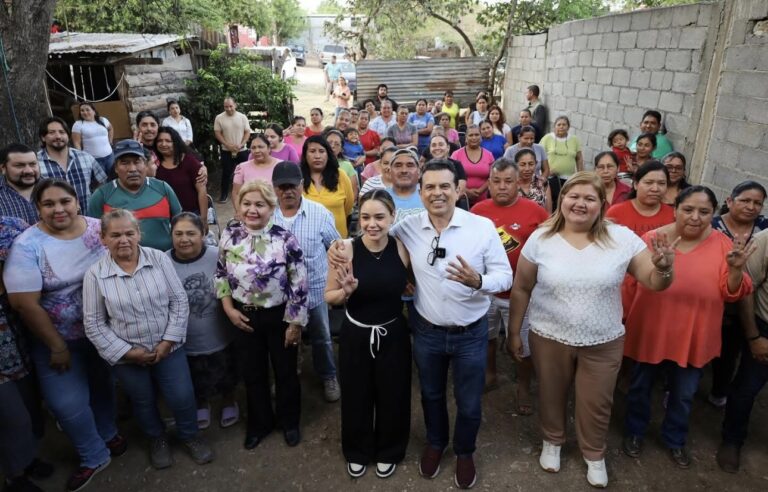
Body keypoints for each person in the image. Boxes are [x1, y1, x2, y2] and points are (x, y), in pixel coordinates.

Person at [508, 171, 678, 487]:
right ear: (562, 199)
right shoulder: (542, 238)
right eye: (574, 196)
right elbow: (522, 287)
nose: (580, 204)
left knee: (597, 401)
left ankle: (594, 453)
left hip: (603, 338)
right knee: (550, 392)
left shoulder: (621, 239)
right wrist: (514, 331)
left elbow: (654, 281)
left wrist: (664, 269)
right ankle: (553, 440)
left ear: (602, 204)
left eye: (589, 198)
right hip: (549, 334)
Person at [5, 180, 124, 492]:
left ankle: (108, 433)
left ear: (77, 202)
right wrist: (57, 346)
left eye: (64, 201)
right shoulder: (27, 245)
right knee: (67, 404)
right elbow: (24, 303)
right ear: (38, 208)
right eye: (48, 204)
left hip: (104, 332)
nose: (58, 209)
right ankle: (93, 455)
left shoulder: (100, 230)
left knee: (103, 386)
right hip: (56, 340)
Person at [622, 186, 753, 469]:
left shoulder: (724, 246)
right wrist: (624, 319)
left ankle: (675, 439)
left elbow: (732, 293)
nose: (695, 217)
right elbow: (630, 285)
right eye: (688, 209)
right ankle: (634, 431)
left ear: (714, 213)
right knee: (640, 386)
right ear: (675, 210)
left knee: (683, 394)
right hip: (652, 328)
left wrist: (735, 271)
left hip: (695, 333)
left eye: (704, 212)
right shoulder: (653, 239)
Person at [82, 208, 214, 469]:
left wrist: (168, 342)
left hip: (168, 348)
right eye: (115, 235)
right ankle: (157, 438)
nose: (123, 240)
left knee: (181, 396)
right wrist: (127, 353)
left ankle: (190, 435)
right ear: (103, 239)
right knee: (142, 401)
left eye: (129, 233)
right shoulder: (95, 275)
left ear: (138, 234)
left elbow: (179, 300)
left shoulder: (158, 258)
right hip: (127, 357)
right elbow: (94, 323)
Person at [325, 190, 411, 479]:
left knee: (394, 393)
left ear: (392, 217)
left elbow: (412, 281)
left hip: (393, 332)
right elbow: (329, 295)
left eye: (379, 217)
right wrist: (345, 292)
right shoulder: (345, 249)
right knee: (356, 394)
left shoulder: (402, 248)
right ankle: (357, 450)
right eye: (365, 217)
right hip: (356, 334)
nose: (372, 224)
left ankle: (390, 449)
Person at [215, 180, 308, 449]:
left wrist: (295, 323)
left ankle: (289, 422)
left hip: (279, 317)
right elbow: (220, 273)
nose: (252, 210)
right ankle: (260, 423)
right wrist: (229, 309)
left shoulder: (285, 238)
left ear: (272, 207)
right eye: (247, 203)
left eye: (260, 204)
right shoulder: (230, 234)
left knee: (285, 371)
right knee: (253, 373)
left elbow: (299, 283)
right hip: (243, 316)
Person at [471, 158, 548, 404]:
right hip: (486, 291)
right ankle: (490, 374)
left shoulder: (536, 212)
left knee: (523, 344)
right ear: (489, 183)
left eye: (508, 181)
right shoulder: (477, 211)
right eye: (496, 181)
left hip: (522, 292)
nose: (502, 187)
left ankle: (523, 385)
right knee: (487, 337)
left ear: (518, 183)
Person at [271, 162, 342, 403]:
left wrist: (335, 285)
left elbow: (336, 248)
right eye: (282, 187)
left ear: (302, 185)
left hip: (315, 290)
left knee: (322, 336)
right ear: (274, 188)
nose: (288, 191)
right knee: (286, 338)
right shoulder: (267, 215)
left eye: (292, 186)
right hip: (280, 295)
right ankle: (290, 372)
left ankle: (328, 375)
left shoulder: (320, 213)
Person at [167, 213, 238, 430]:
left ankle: (229, 400)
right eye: (178, 234)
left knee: (227, 370)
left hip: (221, 332)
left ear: (203, 234)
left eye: (191, 233)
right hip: (186, 338)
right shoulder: (163, 262)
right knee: (195, 375)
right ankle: (201, 402)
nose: (184, 239)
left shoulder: (218, 256)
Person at [0, 215, 54, 492]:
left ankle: (27, 458)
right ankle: (14, 476)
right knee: (12, 416)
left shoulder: (12, 227)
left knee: (30, 408)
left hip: (20, 342)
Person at [709, 181, 768, 409]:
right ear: (730, 201)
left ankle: (721, 390)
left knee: (732, 353)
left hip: (747, 305)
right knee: (709, 349)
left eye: (757, 203)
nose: (751, 207)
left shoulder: (763, 228)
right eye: (745, 200)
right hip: (715, 301)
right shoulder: (712, 226)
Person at [717, 227, 768, 473]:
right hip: (764, 330)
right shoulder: (764, 241)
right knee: (746, 388)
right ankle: (732, 440)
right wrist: (754, 336)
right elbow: (747, 290)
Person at [87, 140, 182, 252]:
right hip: (121, 261)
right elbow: (94, 236)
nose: (132, 169)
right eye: (124, 163)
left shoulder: (162, 188)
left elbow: (180, 224)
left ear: (145, 165)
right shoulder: (102, 195)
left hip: (165, 257)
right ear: (116, 168)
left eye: (137, 162)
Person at [37, 117, 108, 214]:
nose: (58, 136)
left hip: (88, 217)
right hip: (55, 219)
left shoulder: (85, 157)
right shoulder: (35, 163)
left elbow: (101, 183)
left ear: (68, 135)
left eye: (62, 132)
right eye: (52, 132)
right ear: (43, 137)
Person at [301, 135, 355, 238]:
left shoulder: (341, 176)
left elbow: (348, 208)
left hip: (338, 240)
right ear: (305, 155)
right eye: (312, 151)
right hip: (308, 240)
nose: (317, 156)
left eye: (322, 151)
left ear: (328, 154)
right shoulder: (298, 178)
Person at [606, 161, 674, 237]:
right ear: (636, 184)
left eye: (661, 183)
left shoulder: (673, 215)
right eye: (649, 182)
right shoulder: (615, 213)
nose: (655, 189)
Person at [154, 127, 207, 216]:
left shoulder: (189, 161)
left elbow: (202, 191)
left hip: (191, 215)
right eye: (159, 141)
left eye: (168, 141)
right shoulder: (154, 163)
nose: (163, 144)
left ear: (175, 142)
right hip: (164, 217)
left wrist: (204, 218)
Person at [231, 134, 281, 214]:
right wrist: (239, 212)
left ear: (269, 148)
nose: (257, 150)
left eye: (260, 147)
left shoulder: (281, 166)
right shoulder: (242, 167)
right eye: (253, 148)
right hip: (251, 213)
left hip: (277, 213)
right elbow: (236, 193)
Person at [214, 97, 251, 202]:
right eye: (226, 107)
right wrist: (227, 145)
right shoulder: (219, 118)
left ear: (235, 105)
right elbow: (217, 133)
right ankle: (224, 195)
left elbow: (247, 132)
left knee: (245, 172)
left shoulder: (242, 117)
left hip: (242, 150)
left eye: (231, 106)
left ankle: (247, 194)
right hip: (226, 150)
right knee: (226, 173)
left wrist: (241, 144)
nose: (229, 109)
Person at [451, 125, 494, 206]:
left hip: (483, 200)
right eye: (471, 135)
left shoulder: (489, 155)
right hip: (461, 200)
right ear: (466, 138)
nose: (474, 138)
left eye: (477, 135)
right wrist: (466, 191)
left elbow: (492, 176)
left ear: (481, 136)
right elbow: (451, 177)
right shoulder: (456, 154)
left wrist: (480, 190)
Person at [0, 143, 40, 224]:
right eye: (19, 166)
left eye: (32, 164)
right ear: (3, 168)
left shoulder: (54, 189)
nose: (29, 171)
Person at [71, 103, 114, 174]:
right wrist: (81, 157)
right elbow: (76, 143)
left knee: (113, 176)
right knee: (101, 180)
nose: (85, 112)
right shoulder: (78, 124)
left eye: (87, 110)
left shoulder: (102, 120)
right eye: (82, 110)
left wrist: (110, 141)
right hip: (93, 160)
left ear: (94, 111)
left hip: (110, 156)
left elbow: (110, 129)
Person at [539, 116, 583, 185]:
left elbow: (579, 158)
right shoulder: (547, 138)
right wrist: (546, 172)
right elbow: (539, 156)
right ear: (554, 126)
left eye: (564, 125)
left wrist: (580, 175)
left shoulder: (574, 139)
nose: (561, 127)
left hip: (569, 179)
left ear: (568, 127)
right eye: (559, 125)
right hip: (550, 177)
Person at [324, 129, 360, 198]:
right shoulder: (317, 164)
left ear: (341, 149)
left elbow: (354, 192)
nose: (332, 146)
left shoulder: (347, 165)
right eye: (329, 143)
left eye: (337, 144)